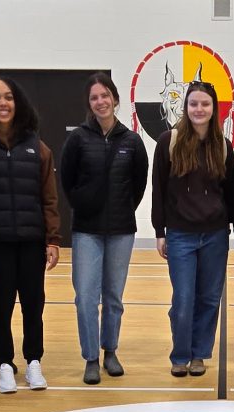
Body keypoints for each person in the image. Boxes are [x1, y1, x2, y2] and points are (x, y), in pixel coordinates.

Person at [0, 77, 61, 394]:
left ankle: (34, 362)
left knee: (34, 305)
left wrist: (52, 239)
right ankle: (4, 363)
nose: (2, 103)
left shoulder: (37, 147)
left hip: (32, 242)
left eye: (8, 97)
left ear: (17, 103)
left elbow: (49, 197)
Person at [60, 72, 149, 385]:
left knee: (113, 296)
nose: (100, 101)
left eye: (104, 95)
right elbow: (67, 182)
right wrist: (84, 206)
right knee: (85, 296)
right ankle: (91, 358)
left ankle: (110, 350)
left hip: (121, 230)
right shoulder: (78, 139)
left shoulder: (132, 141)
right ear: (90, 103)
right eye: (94, 97)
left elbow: (139, 185)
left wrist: (122, 209)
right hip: (87, 231)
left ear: (115, 99)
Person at [151, 81, 234, 378]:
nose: (199, 109)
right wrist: (159, 231)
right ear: (186, 107)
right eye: (194, 104)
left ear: (214, 109)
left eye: (205, 104)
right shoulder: (168, 141)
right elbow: (158, 189)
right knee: (184, 299)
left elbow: (231, 192)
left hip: (215, 235)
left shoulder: (223, 147)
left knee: (210, 298)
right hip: (180, 234)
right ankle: (180, 355)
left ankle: (200, 354)